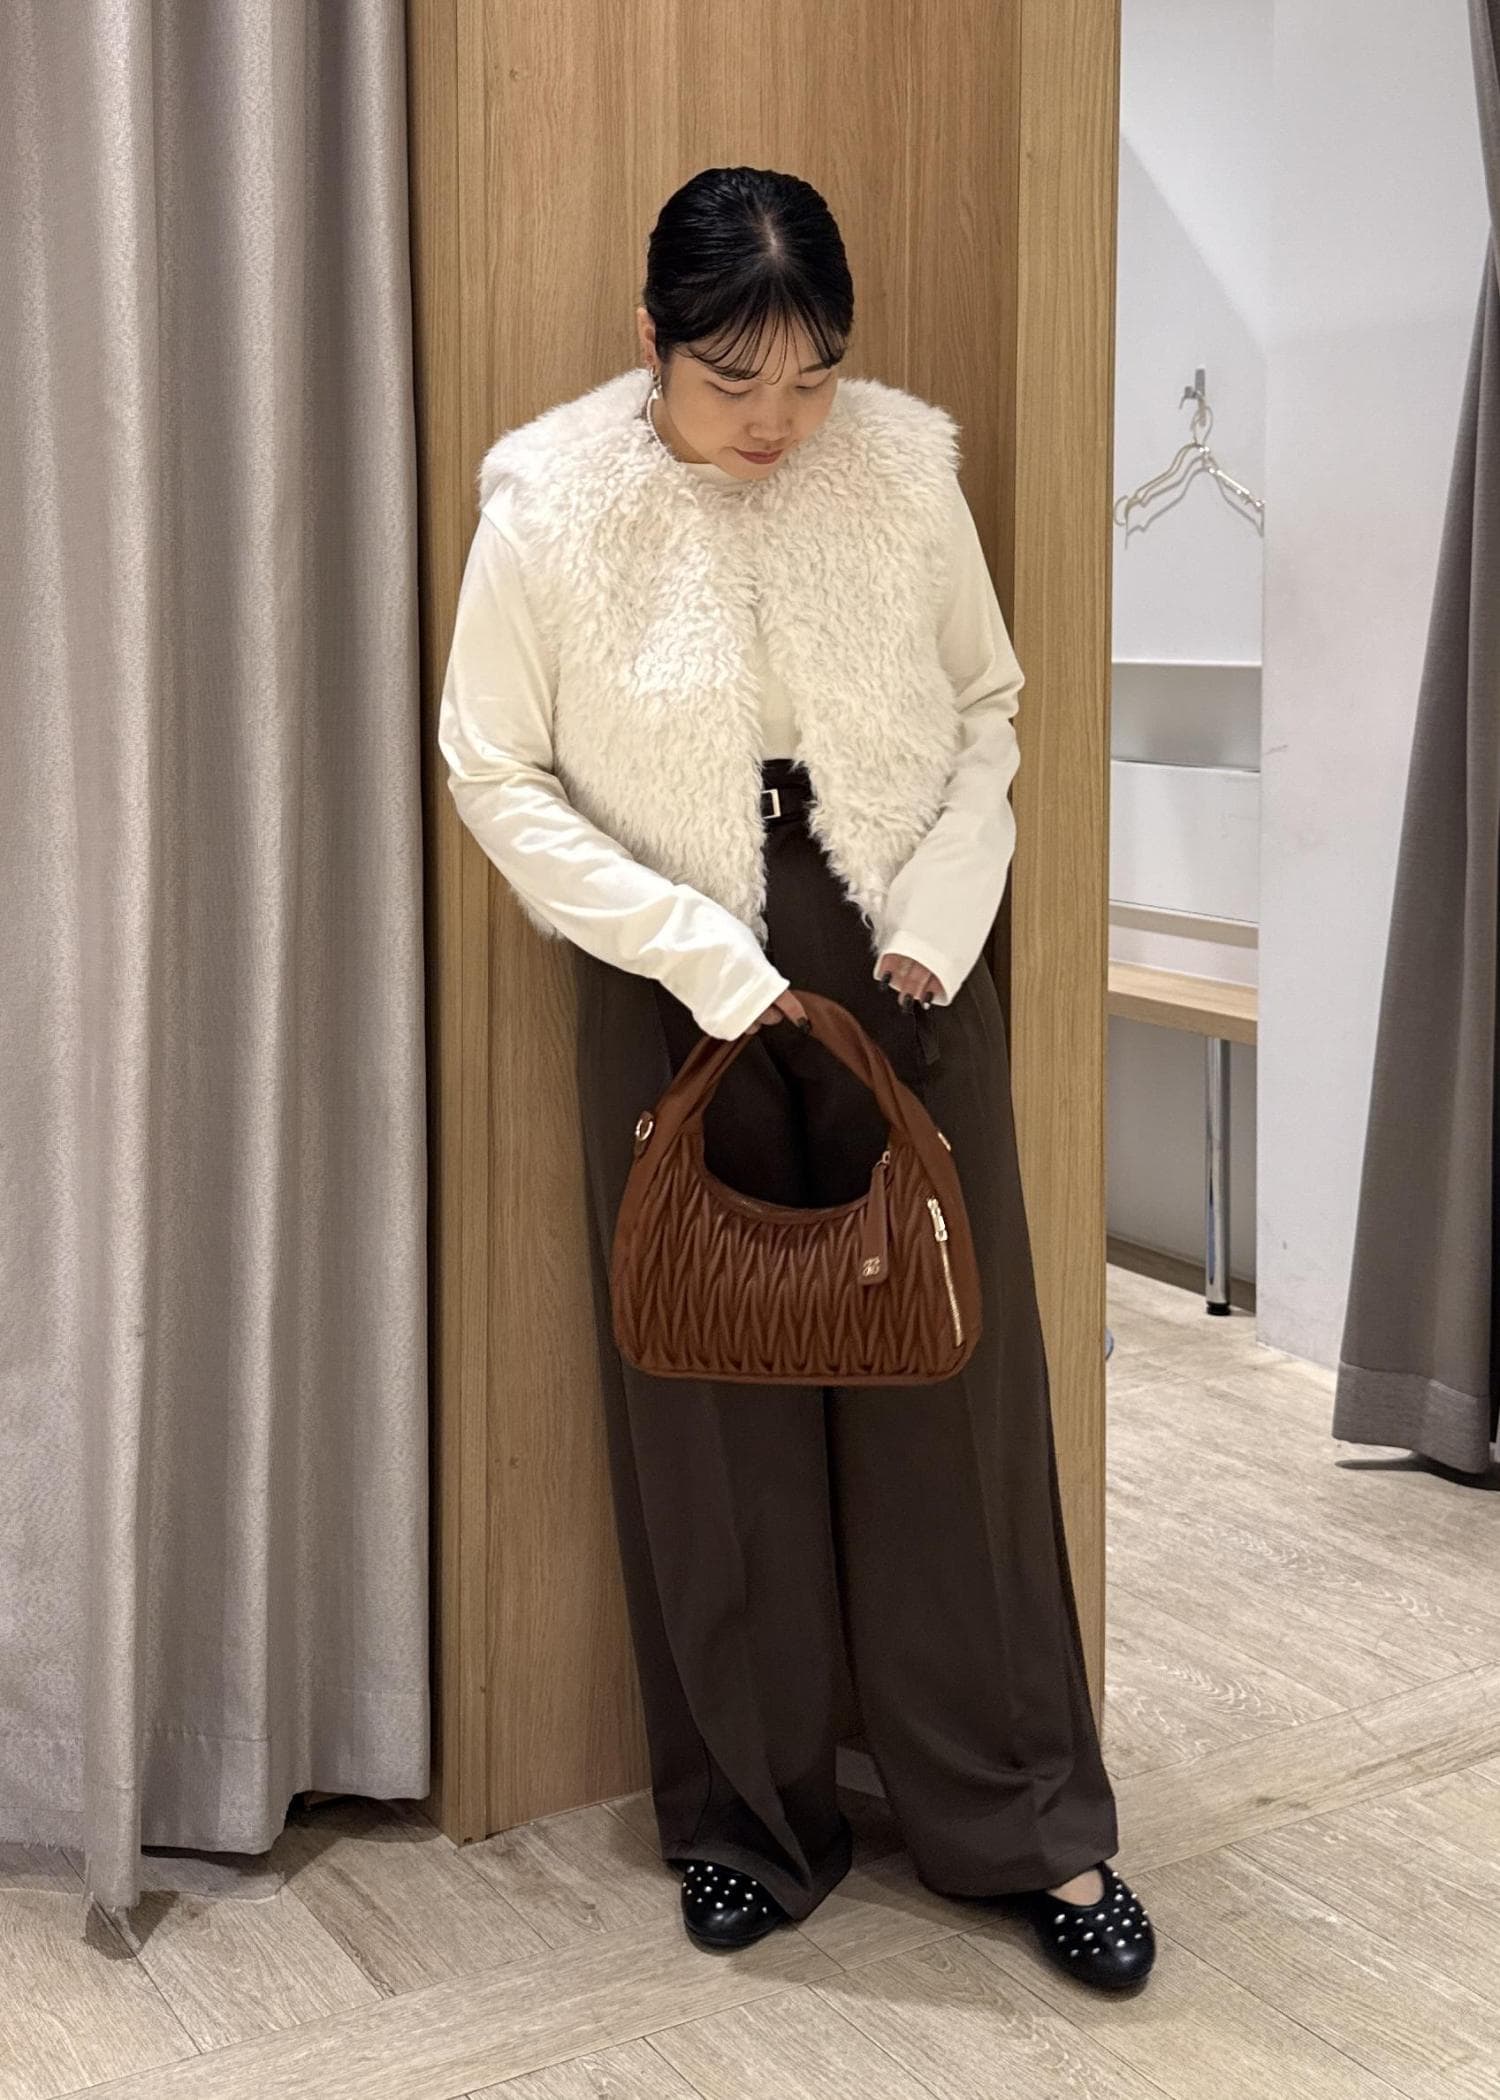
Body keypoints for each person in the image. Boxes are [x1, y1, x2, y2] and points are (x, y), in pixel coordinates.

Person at [437, 165, 1154, 1991]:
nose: (778, 421)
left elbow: (987, 712)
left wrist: (939, 918)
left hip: (902, 946)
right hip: (666, 963)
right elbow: (492, 768)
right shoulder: (550, 500)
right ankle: (752, 1816)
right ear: (652, 342)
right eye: (734, 380)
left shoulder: (905, 471)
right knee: (707, 1384)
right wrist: (692, 950)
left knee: (959, 1387)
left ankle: (1025, 1821)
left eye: (813, 377)